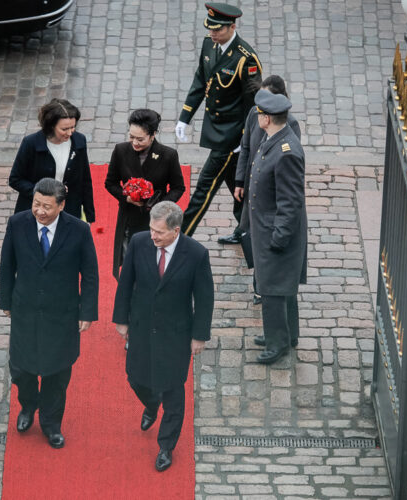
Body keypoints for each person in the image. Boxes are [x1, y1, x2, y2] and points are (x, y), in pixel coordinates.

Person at [112, 201, 214, 472]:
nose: (153, 236)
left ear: (175, 230)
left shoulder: (196, 254)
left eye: (158, 232)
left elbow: (204, 298)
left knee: (172, 389)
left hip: (175, 334)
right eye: (151, 229)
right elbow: (126, 282)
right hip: (141, 326)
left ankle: (166, 445)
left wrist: (199, 336)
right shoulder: (138, 242)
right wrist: (121, 318)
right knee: (135, 377)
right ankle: (151, 403)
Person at [0, 178, 99, 449]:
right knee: (21, 369)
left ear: (61, 205)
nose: (40, 211)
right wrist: (5, 300)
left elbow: (89, 273)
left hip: (62, 314)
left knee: (56, 374)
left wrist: (87, 312)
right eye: (36, 204)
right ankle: (29, 405)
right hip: (25, 310)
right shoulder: (18, 223)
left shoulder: (78, 230)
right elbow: (7, 264)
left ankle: (51, 423)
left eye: (46, 206)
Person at [175, 2, 262, 242]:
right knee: (238, 187)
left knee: (204, 187)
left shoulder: (246, 59)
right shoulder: (208, 45)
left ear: (232, 26)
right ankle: (248, 233)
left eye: (219, 29)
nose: (213, 33)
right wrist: (185, 117)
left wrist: (244, 139)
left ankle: (180, 236)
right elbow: (200, 81)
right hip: (216, 130)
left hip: (231, 136)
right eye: (211, 28)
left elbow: (254, 105)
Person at [246, 90, 307, 365]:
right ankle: (286, 333)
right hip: (267, 229)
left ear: (267, 118)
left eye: (260, 114)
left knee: (273, 289)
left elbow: (291, 201)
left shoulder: (286, 152)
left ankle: (278, 342)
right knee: (282, 287)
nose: (257, 117)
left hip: (276, 234)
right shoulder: (275, 139)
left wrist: (279, 237)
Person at [234, 75, 301, 306]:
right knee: (252, 237)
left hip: (268, 195)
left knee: (265, 241)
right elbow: (245, 147)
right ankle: (259, 283)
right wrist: (240, 180)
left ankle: (262, 287)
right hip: (254, 189)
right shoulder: (254, 114)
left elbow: (285, 173)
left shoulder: (288, 128)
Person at [105, 108, 186, 279]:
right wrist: (126, 197)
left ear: (153, 134)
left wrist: (161, 206)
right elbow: (110, 183)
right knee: (130, 264)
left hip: (157, 221)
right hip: (129, 218)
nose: (134, 142)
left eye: (140, 139)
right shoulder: (121, 151)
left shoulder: (168, 155)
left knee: (154, 265)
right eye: (131, 137)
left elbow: (178, 187)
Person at [9, 98, 95, 223]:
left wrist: (89, 216)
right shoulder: (31, 143)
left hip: (68, 211)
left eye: (73, 127)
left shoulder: (79, 141)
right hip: (37, 212)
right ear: (51, 127)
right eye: (64, 129)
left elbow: (84, 180)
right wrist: (45, 194)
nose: (70, 133)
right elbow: (15, 179)